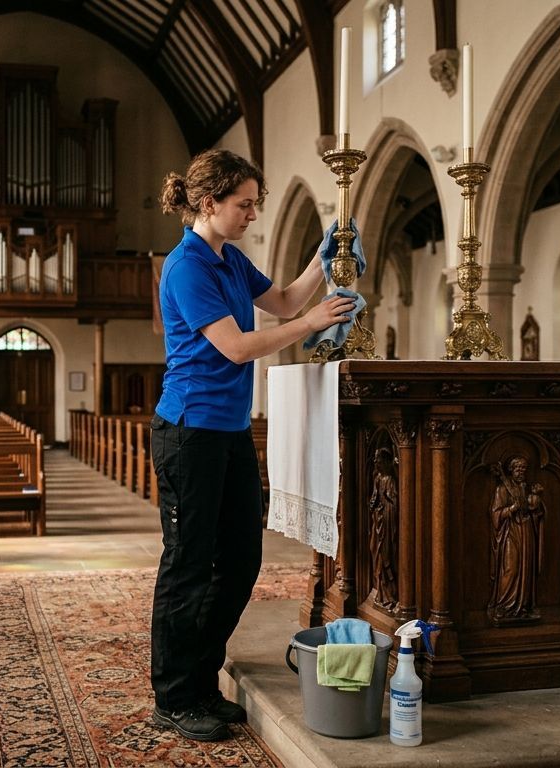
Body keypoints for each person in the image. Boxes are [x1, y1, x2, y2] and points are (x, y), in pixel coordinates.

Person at [150, 149, 356, 742]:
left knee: (241, 560)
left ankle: (198, 678)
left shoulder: (232, 260)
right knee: (188, 566)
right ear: (209, 203)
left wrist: (324, 256)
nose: (253, 214)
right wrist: (313, 324)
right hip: (189, 432)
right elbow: (237, 347)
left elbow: (287, 301)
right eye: (244, 204)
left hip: (230, 431)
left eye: (255, 204)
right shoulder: (186, 266)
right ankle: (174, 695)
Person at [488, 454, 545, 623]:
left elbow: (535, 509)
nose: (521, 471)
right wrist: (512, 508)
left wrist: (536, 499)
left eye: (523, 468)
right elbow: (495, 514)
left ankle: (524, 606)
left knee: (525, 568)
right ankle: (504, 605)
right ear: (510, 470)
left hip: (526, 530)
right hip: (510, 533)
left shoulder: (526, 488)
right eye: (517, 468)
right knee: (511, 568)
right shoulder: (502, 489)